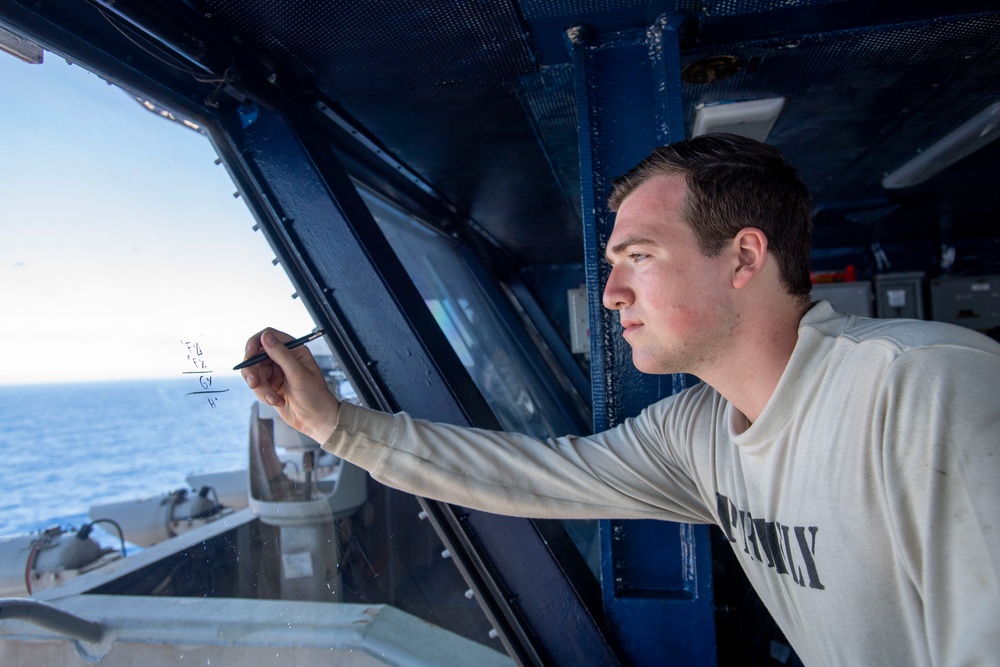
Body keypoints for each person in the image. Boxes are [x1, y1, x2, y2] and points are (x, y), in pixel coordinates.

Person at [241, 133, 1000, 666]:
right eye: (613, 262)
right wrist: (332, 426)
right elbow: (530, 475)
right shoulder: (697, 431)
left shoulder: (924, 392)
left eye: (639, 257)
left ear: (742, 257)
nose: (609, 294)